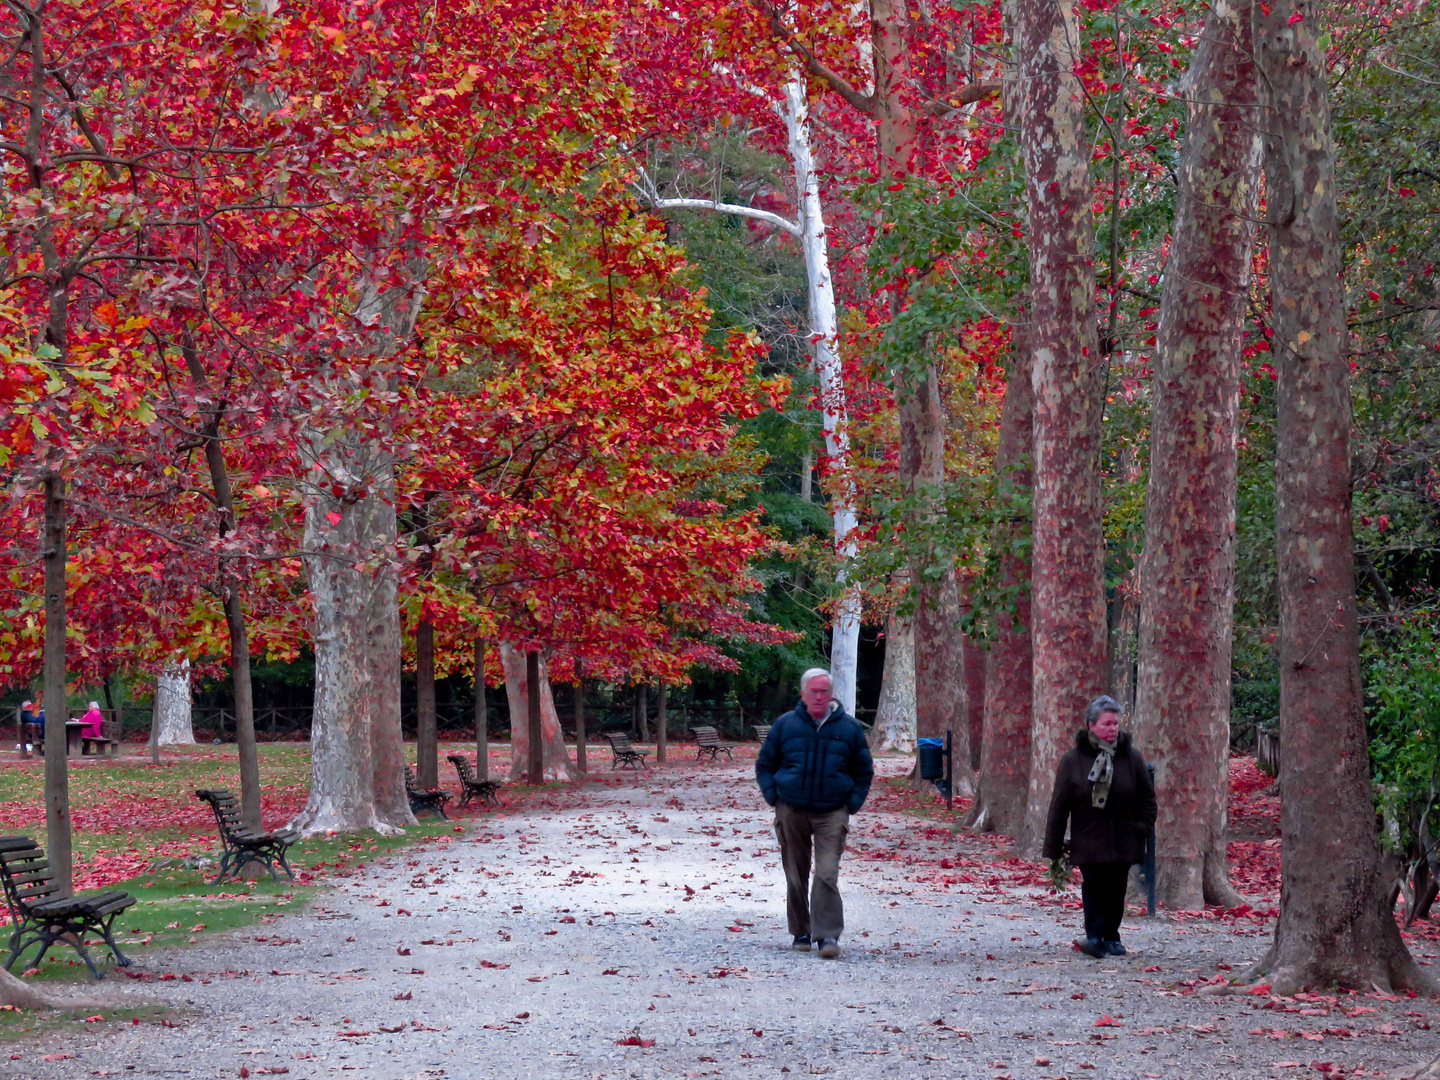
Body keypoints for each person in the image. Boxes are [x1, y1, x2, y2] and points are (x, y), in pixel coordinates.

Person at [756, 668, 874, 959]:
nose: (819, 696)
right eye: (814, 691)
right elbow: (764, 765)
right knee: (795, 873)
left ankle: (828, 935)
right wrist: (774, 797)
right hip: (791, 808)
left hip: (832, 811)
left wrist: (852, 803)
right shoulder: (785, 725)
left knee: (826, 873)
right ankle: (801, 931)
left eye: (824, 691)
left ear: (831, 694)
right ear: (803, 694)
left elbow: (864, 771)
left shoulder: (849, 728)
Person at [1042, 695, 1157, 959]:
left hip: (1124, 837)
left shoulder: (1131, 757)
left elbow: (1148, 800)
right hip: (1089, 837)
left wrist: (1140, 827)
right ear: (1091, 725)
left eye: (1115, 723)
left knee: (1117, 888)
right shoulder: (1073, 760)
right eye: (1107, 723)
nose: (1113, 728)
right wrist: (1054, 847)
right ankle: (1093, 935)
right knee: (1093, 886)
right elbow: (1059, 805)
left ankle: (1111, 936)